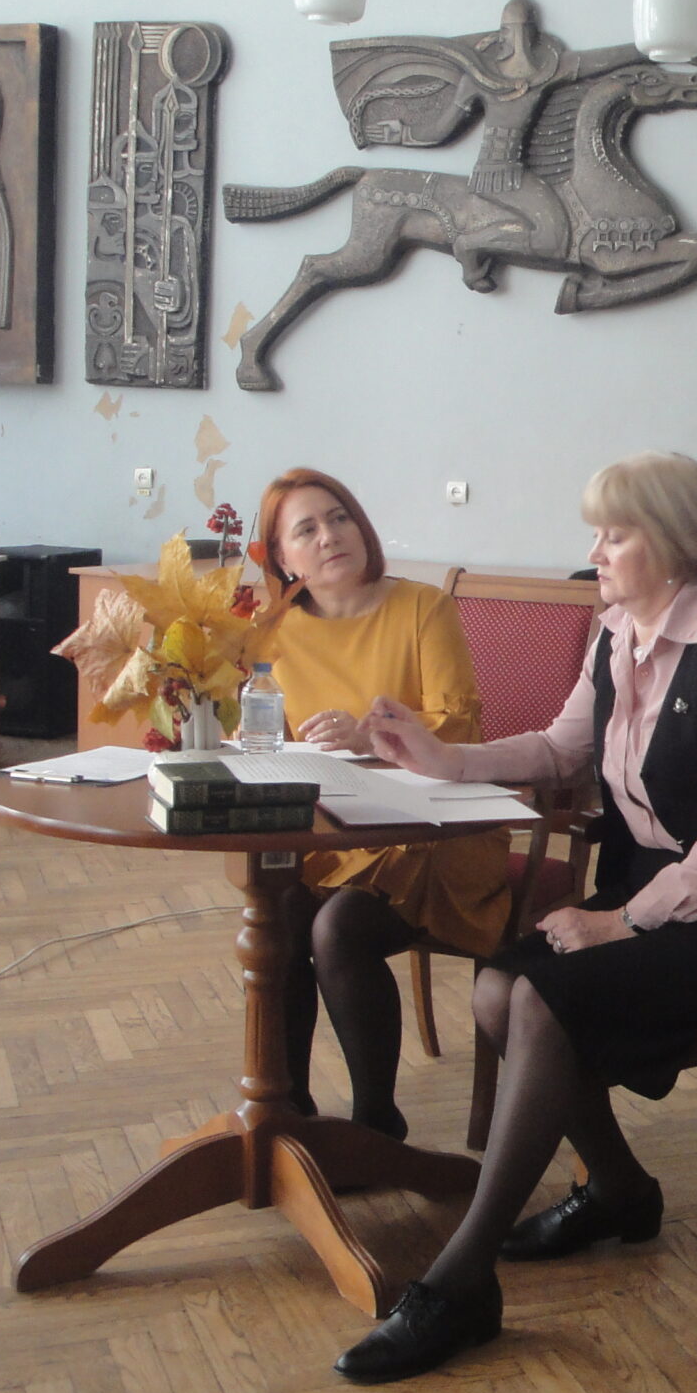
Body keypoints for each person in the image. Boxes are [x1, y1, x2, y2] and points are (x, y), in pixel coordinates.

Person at [334, 452, 697, 1382]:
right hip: (672, 890)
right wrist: (441, 759)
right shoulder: (616, 631)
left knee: (539, 1000)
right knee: (497, 992)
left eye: (615, 534)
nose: (596, 551)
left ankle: (461, 1278)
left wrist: (623, 924)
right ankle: (618, 1188)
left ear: (676, 543)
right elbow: (558, 748)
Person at [253, 467, 508, 1141]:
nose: (330, 535)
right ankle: (290, 1112)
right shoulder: (271, 632)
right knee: (277, 908)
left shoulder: (422, 606)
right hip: (337, 830)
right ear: (282, 558)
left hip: (439, 830)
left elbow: (459, 726)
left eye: (339, 517)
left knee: (338, 928)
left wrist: (371, 736)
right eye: (306, 529)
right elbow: (263, 742)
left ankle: (375, 1127)